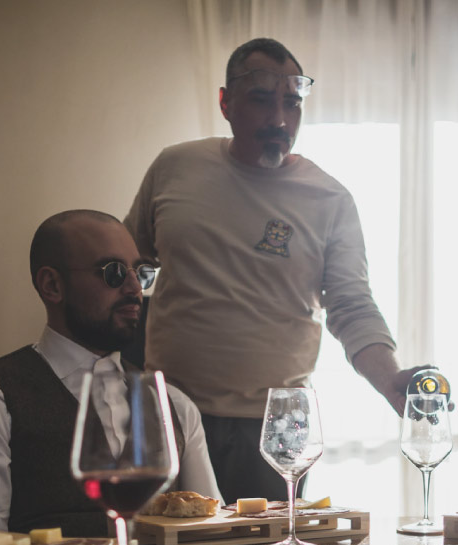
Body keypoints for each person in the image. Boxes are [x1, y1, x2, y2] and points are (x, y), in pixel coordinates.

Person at [124, 37, 425, 502]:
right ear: (225, 103)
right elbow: (130, 270)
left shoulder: (330, 199)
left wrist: (391, 381)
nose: (279, 120)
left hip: (282, 419)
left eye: (293, 103)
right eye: (262, 99)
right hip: (170, 409)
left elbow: (351, 305)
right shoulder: (174, 168)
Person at [0, 210, 221, 535]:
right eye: (113, 272)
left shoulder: (174, 404)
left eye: (141, 272)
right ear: (52, 285)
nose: (135, 288)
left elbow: (210, 536)